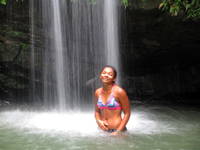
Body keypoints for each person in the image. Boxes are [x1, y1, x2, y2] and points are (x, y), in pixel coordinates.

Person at [94, 65, 131, 135]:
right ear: (100, 75)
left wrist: (118, 131)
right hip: (102, 131)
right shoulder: (97, 92)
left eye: (110, 74)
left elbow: (127, 113)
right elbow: (97, 112)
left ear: (114, 78)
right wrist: (98, 121)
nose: (106, 75)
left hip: (118, 130)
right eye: (104, 73)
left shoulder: (119, 92)